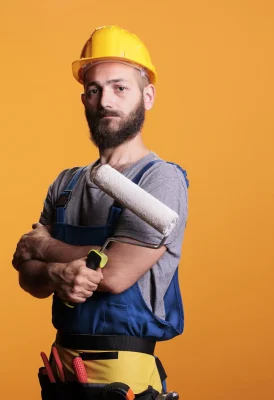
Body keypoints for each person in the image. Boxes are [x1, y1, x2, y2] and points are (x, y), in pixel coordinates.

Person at [12, 25, 188, 400]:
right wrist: (55, 273)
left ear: (148, 96)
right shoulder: (67, 183)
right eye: (94, 90)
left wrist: (45, 250)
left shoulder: (161, 180)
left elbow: (116, 274)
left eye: (119, 87)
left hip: (124, 377)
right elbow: (26, 275)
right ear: (84, 100)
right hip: (60, 372)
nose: (105, 100)